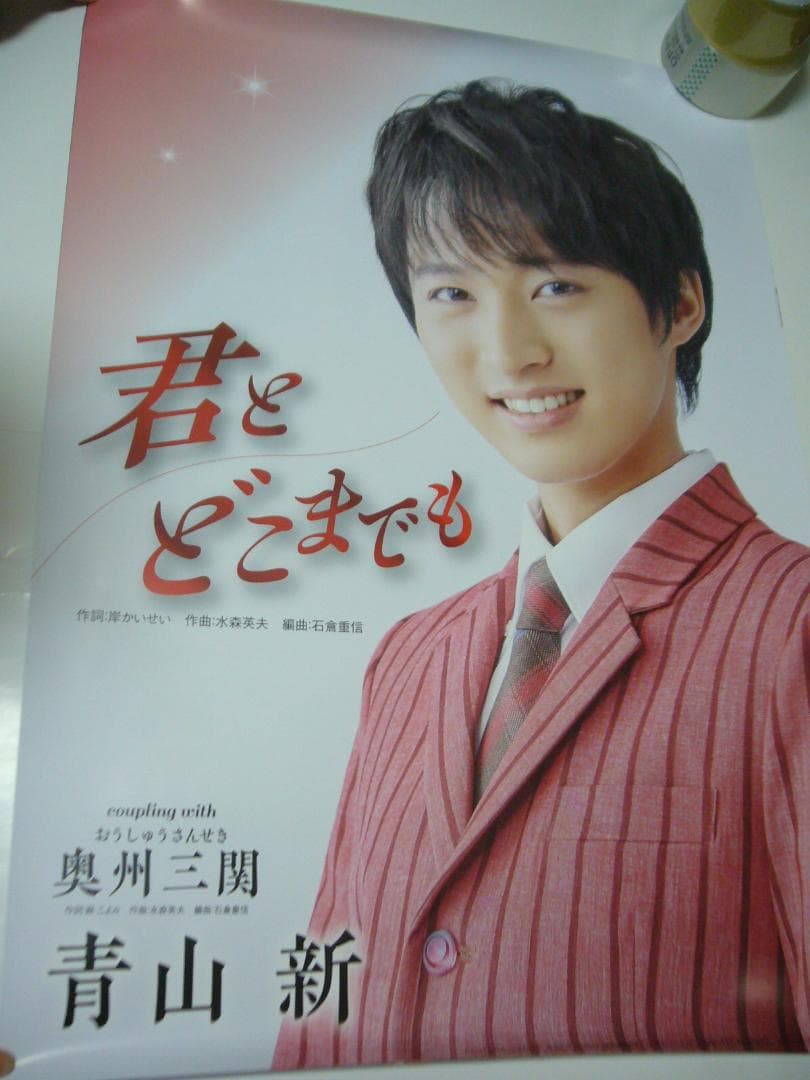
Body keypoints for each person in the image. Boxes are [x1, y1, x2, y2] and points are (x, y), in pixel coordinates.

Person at [273, 79, 810, 1069]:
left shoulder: (793, 625)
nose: (509, 352)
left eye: (555, 284)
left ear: (681, 303)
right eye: (452, 295)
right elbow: (324, 1000)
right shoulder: (410, 655)